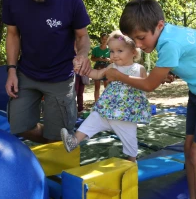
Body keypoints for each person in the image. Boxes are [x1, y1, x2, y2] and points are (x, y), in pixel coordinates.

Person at [104, 0, 196, 199]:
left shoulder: (169, 44)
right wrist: (168, 72)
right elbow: (188, 58)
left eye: (141, 38)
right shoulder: (165, 34)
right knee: (188, 149)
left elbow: (149, 85)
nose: (138, 45)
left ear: (159, 25)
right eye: (133, 40)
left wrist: (119, 76)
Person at [2, 0, 92, 143]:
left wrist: (83, 55)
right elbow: (12, 34)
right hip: (26, 74)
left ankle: (58, 143)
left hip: (60, 77)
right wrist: (11, 70)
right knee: (20, 127)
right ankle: (53, 144)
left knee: (58, 136)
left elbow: (82, 36)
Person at [61, 31, 150, 162]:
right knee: (93, 118)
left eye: (119, 51)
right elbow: (97, 74)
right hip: (107, 109)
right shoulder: (112, 67)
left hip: (126, 114)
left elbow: (146, 85)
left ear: (133, 52)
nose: (114, 55)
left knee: (129, 138)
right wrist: (83, 70)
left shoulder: (138, 68)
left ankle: (132, 160)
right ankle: (74, 140)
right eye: (112, 51)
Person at [91, 33, 111, 102]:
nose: (104, 40)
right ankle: (96, 102)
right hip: (97, 68)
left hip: (107, 68)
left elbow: (113, 60)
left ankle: (106, 102)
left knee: (106, 86)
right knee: (97, 87)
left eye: (106, 39)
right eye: (103, 39)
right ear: (101, 39)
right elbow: (92, 59)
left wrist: (108, 59)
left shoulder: (110, 49)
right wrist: (98, 58)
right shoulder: (96, 49)